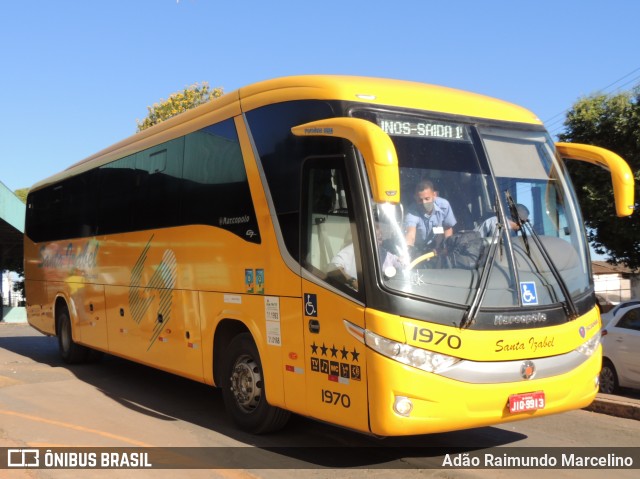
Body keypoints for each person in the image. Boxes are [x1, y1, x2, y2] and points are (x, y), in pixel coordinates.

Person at [404, 180, 456, 258]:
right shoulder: (411, 212)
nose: (424, 202)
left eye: (427, 199)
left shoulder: (444, 206)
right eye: (420, 200)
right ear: (415, 198)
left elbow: (447, 228)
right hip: (417, 248)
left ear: (435, 195)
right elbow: (410, 234)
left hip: (437, 247)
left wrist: (445, 248)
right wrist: (407, 251)